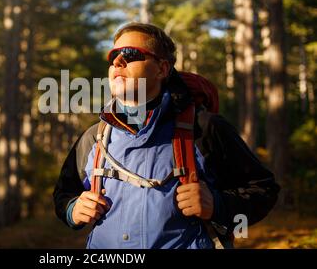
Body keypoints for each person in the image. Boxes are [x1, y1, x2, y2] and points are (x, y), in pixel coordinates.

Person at [52, 22, 280, 249]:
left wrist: (218, 206)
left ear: (162, 69)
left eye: (130, 54)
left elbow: (263, 190)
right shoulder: (95, 137)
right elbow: (64, 194)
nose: (117, 62)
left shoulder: (204, 128)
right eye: (113, 56)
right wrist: (73, 209)